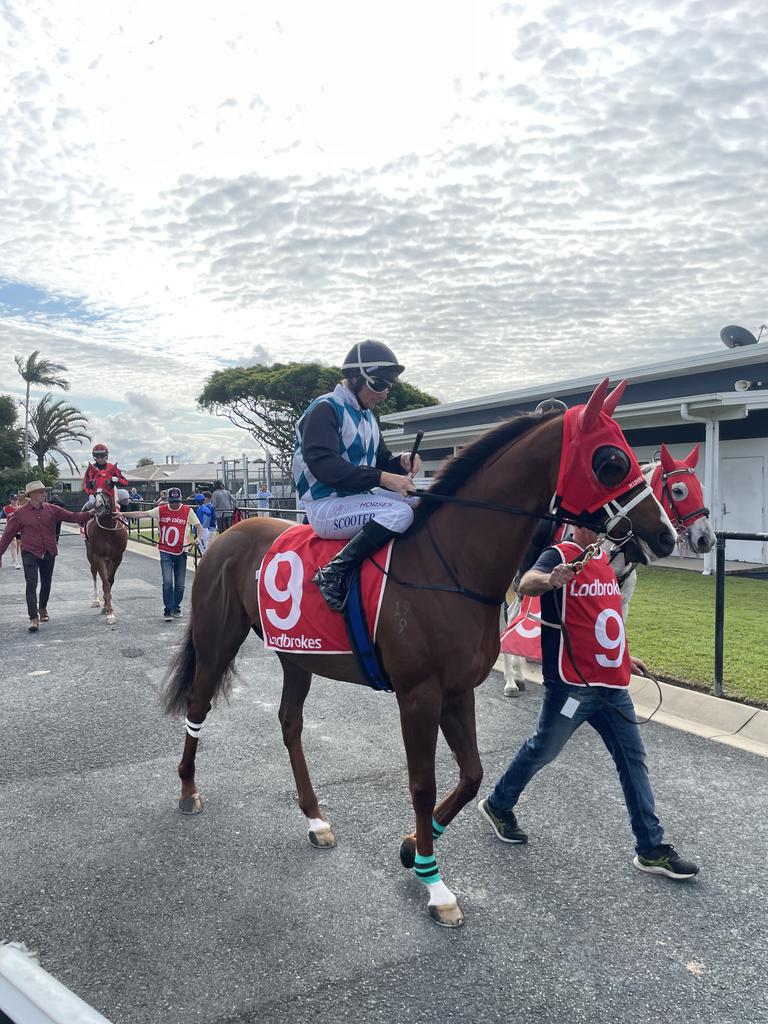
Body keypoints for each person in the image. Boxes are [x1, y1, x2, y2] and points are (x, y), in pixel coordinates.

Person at [478, 523, 699, 881]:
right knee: (542, 750)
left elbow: (602, 616)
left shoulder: (601, 561)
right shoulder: (560, 554)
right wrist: (551, 580)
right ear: (577, 524)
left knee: (633, 761)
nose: (602, 526)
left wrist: (625, 656)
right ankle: (498, 804)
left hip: (611, 686)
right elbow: (526, 583)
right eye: (594, 520)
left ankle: (651, 848)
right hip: (571, 687)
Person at [292, 339, 421, 611]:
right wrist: (384, 478)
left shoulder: (367, 417)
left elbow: (382, 460)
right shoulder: (324, 408)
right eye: (378, 384)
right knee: (400, 513)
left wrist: (402, 461)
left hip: (357, 501)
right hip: (326, 507)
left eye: (388, 386)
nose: (384, 394)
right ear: (353, 378)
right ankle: (333, 573)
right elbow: (325, 466)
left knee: (420, 501)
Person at [0, 480, 94, 632]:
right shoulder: (19, 514)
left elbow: (73, 517)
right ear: (31, 495)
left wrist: (90, 513)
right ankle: (33, 618)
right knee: (31, 584)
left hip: (49, 551)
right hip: (29, 552)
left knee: (46, 583)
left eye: (44, 491)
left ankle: (42, 608)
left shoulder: (52, 509)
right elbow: (7, 535)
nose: (44, 494)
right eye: (40, 492)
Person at [123, 486, 202, 620]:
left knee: (180, 584)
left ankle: (176, 607)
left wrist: (198, 537)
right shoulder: (161, 509)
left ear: (180, 500)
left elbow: (198, 526)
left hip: (181, 551)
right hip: (165, 550)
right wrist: (122, 514)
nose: (174, 504)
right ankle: (168, 609)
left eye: (177, 501)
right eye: (172, 502)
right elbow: (143, 514)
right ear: (168, 500)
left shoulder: (188, 511)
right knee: (167, 581)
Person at [82, 443, 130, 512]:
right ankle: (82, 519)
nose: (100, 459)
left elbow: (125, 481)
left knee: (124, 494)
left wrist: (116, 480)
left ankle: (125, 517)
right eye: (98, 457)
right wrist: (91, 493)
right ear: (94, 457)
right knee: (91, 502)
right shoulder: (91, 468)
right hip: (96, 492)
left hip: (111, 492)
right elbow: (86, 483)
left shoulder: (111, 467)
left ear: (106, 456)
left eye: (102, 457)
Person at [1, 493, 23, 569]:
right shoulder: (5, 508)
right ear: (10, 500)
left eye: (16, 499)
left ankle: (14, 559)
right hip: (11, 529)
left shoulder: (21, 508)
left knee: (18, 546)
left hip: (20, 529)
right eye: (13, 500)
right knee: (13, 543)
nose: (14, 501)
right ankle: (15, 562)